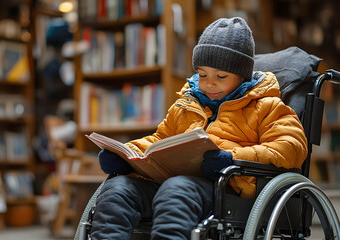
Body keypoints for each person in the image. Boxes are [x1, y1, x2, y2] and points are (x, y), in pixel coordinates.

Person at [90, 17, 308, 240]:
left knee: (176, 190)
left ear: (243, 76)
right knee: (118, 189)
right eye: (202, 74)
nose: (209, 83)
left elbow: (290, 147)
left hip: (228, 192)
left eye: (220, 76)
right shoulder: (186, 105)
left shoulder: (266, 106)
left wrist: (231, 158)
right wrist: (127, 155)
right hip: (171, 186)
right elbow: (160, 139)